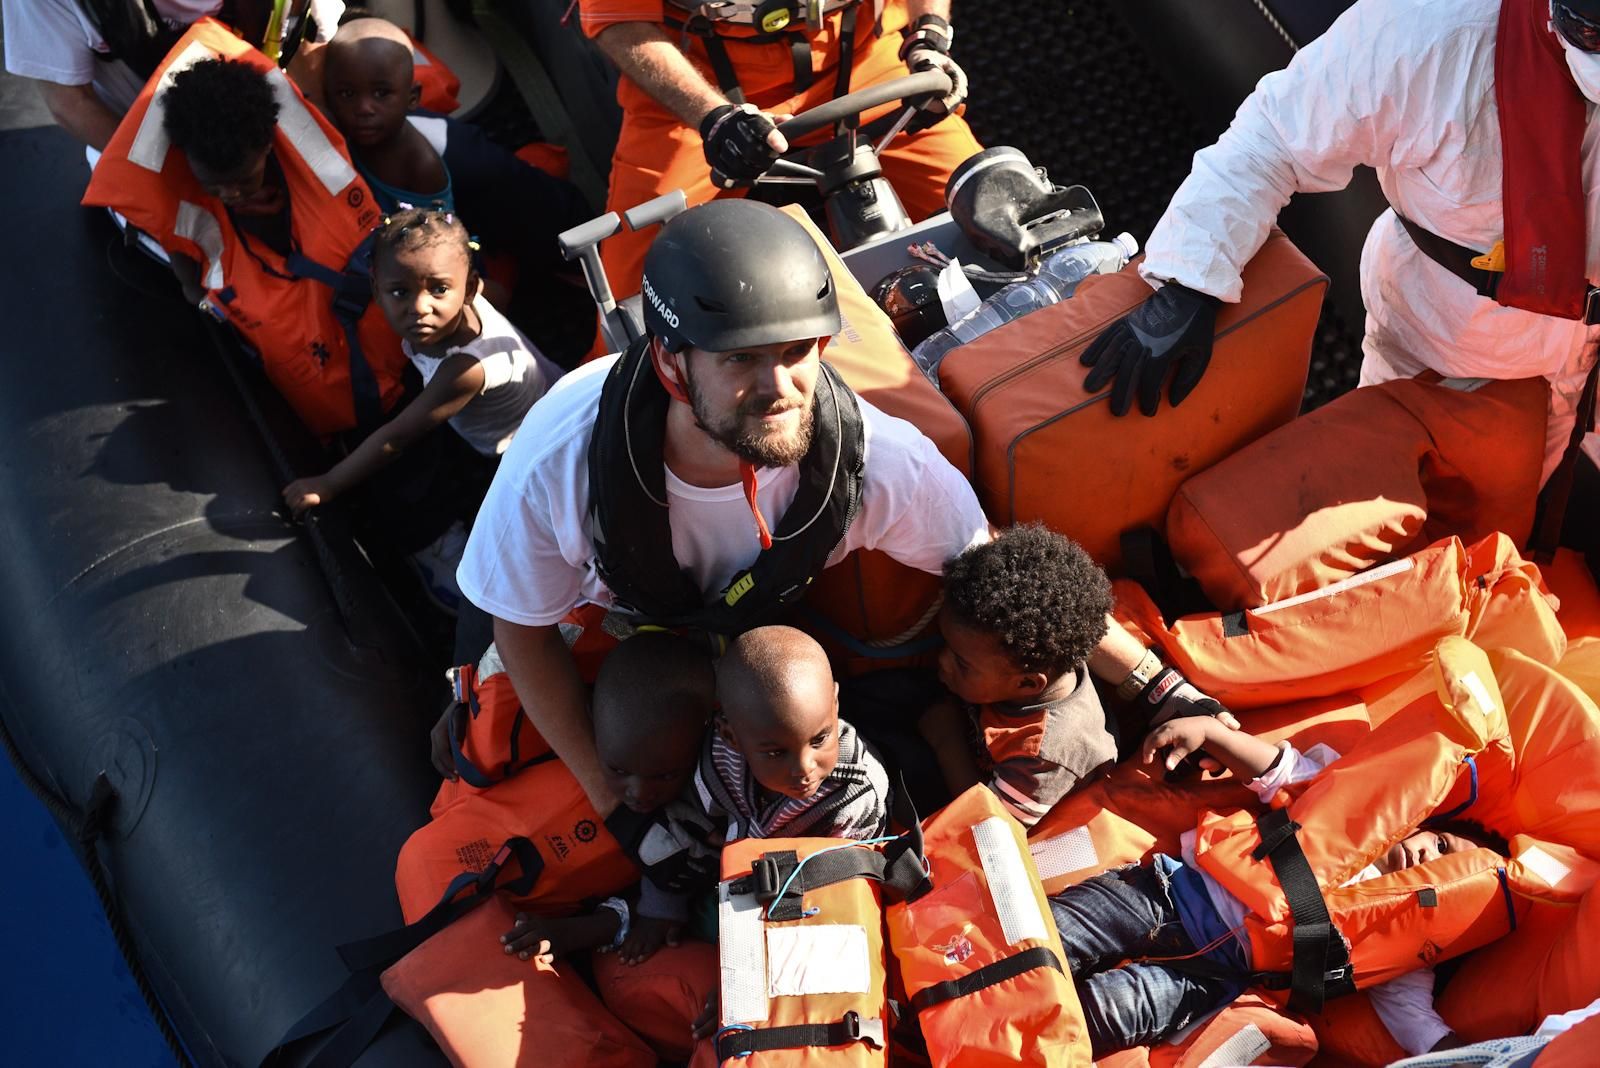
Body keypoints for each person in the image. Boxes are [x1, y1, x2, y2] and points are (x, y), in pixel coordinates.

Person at [449, 198, 1225, 838]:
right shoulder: (561, 462)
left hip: (776, 650)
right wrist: (616, 808)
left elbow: (993, 572)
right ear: (670, 364)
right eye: (741, 360)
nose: (780, 384)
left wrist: (1163, 690)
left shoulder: (874, 461)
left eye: (796, 351)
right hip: (624, 637)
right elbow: (517, 626)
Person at [1080, 0, 1599, 488]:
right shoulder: (1428, 28)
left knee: (1515, 519)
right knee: (1395, 504)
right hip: (1448, 347)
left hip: (1587, 364)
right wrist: (1189, 280)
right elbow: (1273, 140)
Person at [1053, 713, 1493, 1057]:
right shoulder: (1357, 799)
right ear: (1424, 822)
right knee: (1055, 933)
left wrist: (1479, 1058)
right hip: (1165, 892)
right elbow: (1278, 770)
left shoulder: (1408, 947)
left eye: (1444, 870)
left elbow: (1417, 1025)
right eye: (1442, 844)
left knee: (1098, 1016)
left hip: (1209, 976)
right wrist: (1208, 731)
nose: (1430, 859)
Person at [83, 32, 410, 440]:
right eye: (216, 187)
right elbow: (190, 282)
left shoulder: (296, 155)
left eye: (243, 181)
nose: (232, 195)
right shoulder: (193, 187)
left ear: (269, 148)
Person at [579, 0, 984, 292]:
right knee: (634, 284)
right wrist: (713, 116)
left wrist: (928, 38)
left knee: (986, 206)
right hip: (697, 80)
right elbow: (617, 18)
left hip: (864, 55)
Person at [628, 625, 892, 960]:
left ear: (835, 703)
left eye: (819, 739)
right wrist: (661, 906)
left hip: (806, 905)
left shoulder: (856, 794)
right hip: (729, 873)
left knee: (713, 931)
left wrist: (750, 957)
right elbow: (685, 824)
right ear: (730, 735)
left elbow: (845, 887)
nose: (804, 767)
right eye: (775, 753)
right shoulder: (721, 759)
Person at [281, 208, 562, 522]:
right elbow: (501, 295)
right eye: (400, 292)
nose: (419, 308)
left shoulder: (466, 369)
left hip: (534, 453)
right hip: (547, 389)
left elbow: (395, 439)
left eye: (439, 290)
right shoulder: (459, 300)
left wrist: (327, 484)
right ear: (376, 290)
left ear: (469, 289)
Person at [497, 631, 713, 966]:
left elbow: (686, 873)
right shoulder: (576, 745)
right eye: (618, 770)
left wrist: (661, 911)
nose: (640, 793)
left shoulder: (706, 787)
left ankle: (595, 927)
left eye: (664, 775)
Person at [918, 524, 1119, 827]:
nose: (942, 661)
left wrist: (947, 741)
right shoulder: (1032, 659)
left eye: (961, 663)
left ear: (1027, 684)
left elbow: (991, 827)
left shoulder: (1048, 756)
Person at [3, 0, 343, 151]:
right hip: (144, 141)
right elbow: (69, 102)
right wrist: (180, 181)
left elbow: (310, 45)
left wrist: (312, 154)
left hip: (269, 124)